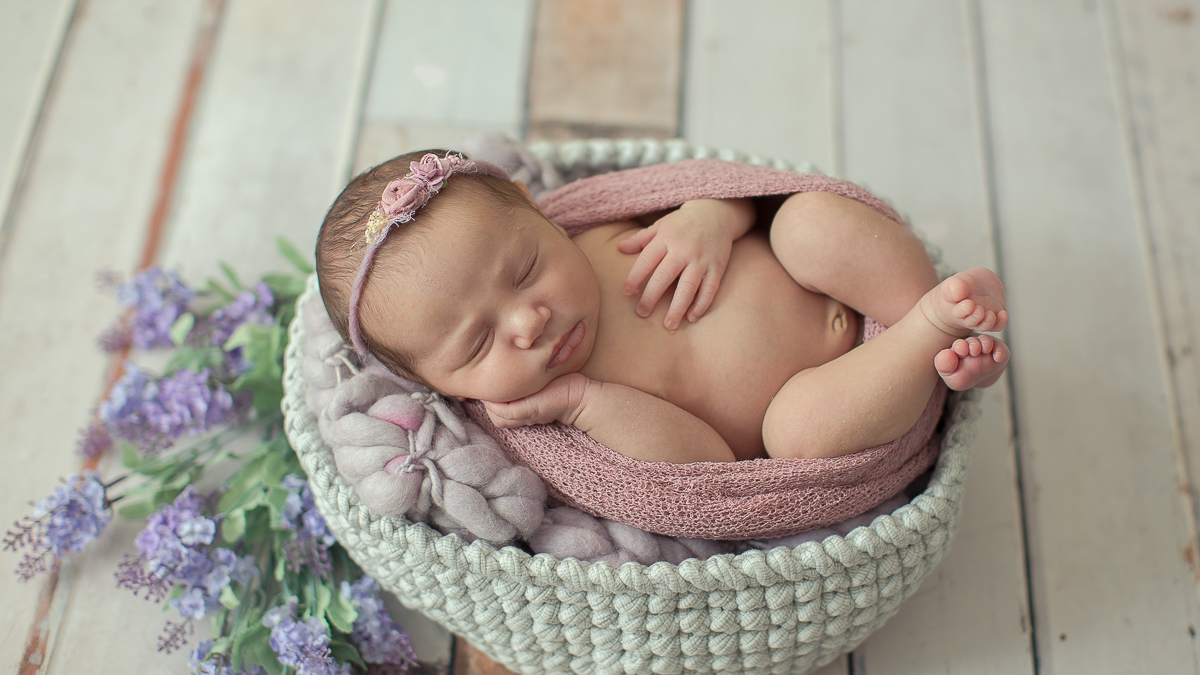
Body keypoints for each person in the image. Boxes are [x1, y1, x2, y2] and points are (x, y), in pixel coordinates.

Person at [315, 150, 1009, 465]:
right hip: (846, 396)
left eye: (525, 270)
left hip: (853, 286)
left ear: (537, 213)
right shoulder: (563, 415)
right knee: (799, 437)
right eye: (476, 345)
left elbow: (742, 192)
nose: (529, 322)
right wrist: (588, 404)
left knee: (804, 224)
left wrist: (712, 218)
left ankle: (925, 307)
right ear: (440, 388)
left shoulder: (598, 229)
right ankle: (932, 335)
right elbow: (702, 469)